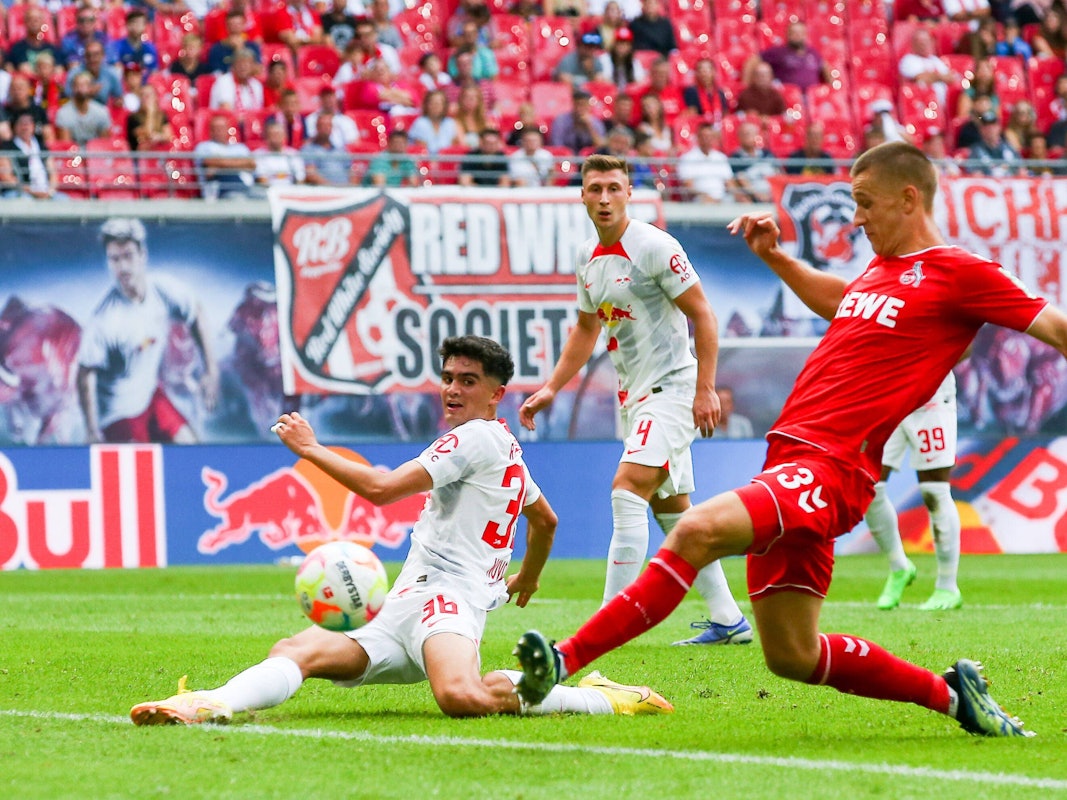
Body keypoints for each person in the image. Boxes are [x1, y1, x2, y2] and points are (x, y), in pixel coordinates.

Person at [513, 141, 1067, 737]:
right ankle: (956, 698)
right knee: (792, 655)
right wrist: (775, 259)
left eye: (863, 203)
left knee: (695, 529)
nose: (856, 217)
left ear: (909, 198)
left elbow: (1055, 326)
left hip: (833, 467)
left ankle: (564, 661)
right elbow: (842, 301)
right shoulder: (882, 274)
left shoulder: (961, 272)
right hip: (793, 456)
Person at [130, 335, 673, 725]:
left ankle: (601, 698)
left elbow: (382, 489)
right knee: (298, 648)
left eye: (468, 381)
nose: (452, 390)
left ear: (495, 394)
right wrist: (525, 579)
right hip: (402, 605)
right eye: (448, 379)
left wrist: (311, 449)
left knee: (460, 697)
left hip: (448, 602)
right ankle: (207, 703)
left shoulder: (473, 438)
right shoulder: (503, 446)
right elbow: (545, 520)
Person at [519, 154, 752, 647]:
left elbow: (704, 316)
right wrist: (552, 388)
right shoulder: (588, 258)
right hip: (637, 396)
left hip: (673, 389)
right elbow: (586, 329)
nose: (604, 198)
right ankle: (729, 620)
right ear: (582, 196)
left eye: (613, 188)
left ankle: (606, 627)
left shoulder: (654, 246)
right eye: (595, 189)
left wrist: (705, 388)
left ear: (629, 193)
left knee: (627, 491)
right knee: (674, 510)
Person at [77, 218, 219, 444]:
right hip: (120, 412)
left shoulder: (163, 289)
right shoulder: (105, 319)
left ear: (143, 255)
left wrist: (210, 370)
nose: (123, 267)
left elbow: (196, 314)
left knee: (190, 447)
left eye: (128, 256)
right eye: (115, 259)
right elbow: (85, 374)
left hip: (151, 396)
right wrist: (92, 429)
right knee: (142, 472)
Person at [864, 374, 963, 611]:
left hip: (930, 398)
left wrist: (924, 366)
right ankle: (899, 568)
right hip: (890, 395)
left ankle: (947, 587)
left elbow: (964, 347)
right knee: (868, 485)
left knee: (934, 490)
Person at [746, 21, 830, 92]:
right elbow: (752, 62)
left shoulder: (813, 53)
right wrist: (746, 85)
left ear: (805, 35)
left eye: (800, 33)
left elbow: (826, 68)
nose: (797, 36)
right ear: (787, 35)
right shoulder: (778, 51)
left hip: (812, 99)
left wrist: (831, 90)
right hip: (787, 97)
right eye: (794, 33)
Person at [677, 122, 735, 202]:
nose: (707, 139)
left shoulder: (721, 158)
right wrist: (705, 196)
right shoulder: (688, 158)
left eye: (709, 136)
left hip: (722, 199)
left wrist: (735, 195)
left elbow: (729, 183)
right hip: (700, 199)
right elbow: (688, 186)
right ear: (698, 137)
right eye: (704, 136)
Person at [54, 72, 112, 146]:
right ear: (72, 88)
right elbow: (66, 145)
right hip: (73, 155)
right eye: (77, 85)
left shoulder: (102, 112)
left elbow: (105, 143)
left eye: (84, 85)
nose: (80, 88)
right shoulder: (63, 113)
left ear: (91, 88)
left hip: (96, 154)